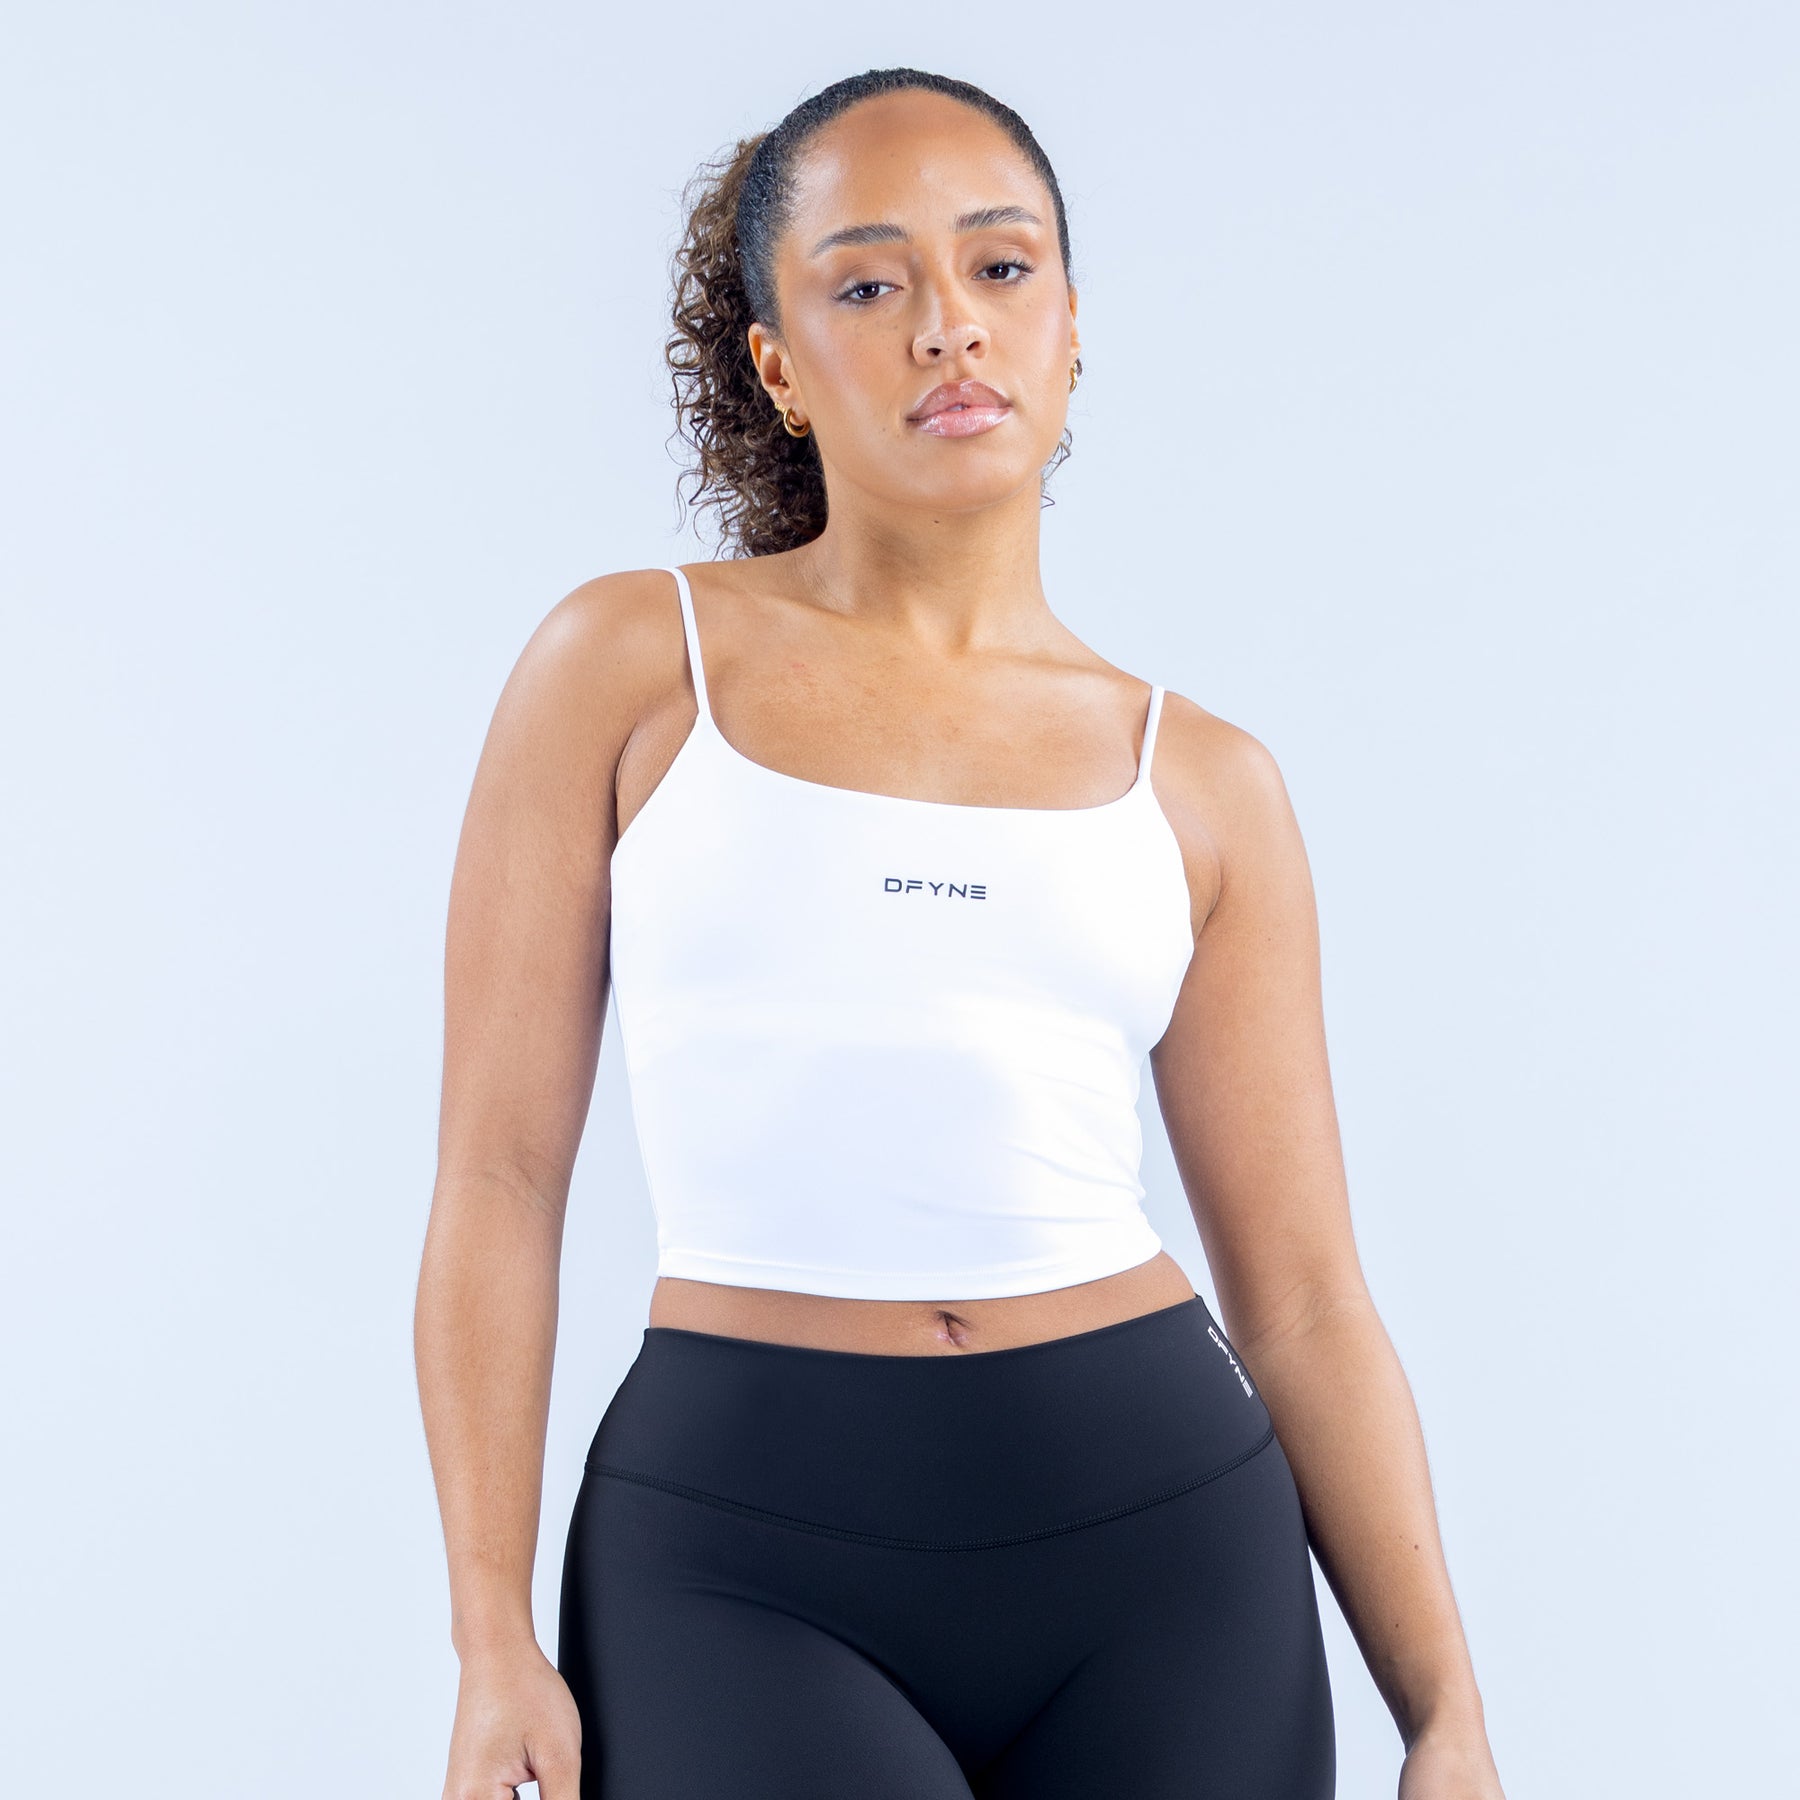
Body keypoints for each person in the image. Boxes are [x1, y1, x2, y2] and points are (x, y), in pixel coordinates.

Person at [415, 65, 1506, 1800]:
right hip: (737, 1550)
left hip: (1165, 1549)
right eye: (867, 284)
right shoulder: (627, 668)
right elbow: (495, 1178)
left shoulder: (1204, 780)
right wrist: (491, 1633)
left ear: (1071, 327)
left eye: (1001, 267)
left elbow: (1304, 1302)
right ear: (778, 366)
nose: (949, 325)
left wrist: (1444, 1711)